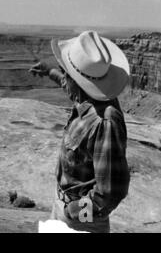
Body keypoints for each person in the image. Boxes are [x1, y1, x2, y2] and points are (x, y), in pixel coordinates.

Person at [29, 31, 131, 233]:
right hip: (63, 206)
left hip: (81, 221)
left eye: (66, 73)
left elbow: (110, 193)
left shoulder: (104, 123)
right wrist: (51, 72)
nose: (65, 77)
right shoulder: (91, 98)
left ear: (79, 81)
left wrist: (73, 212)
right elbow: (72, 90)